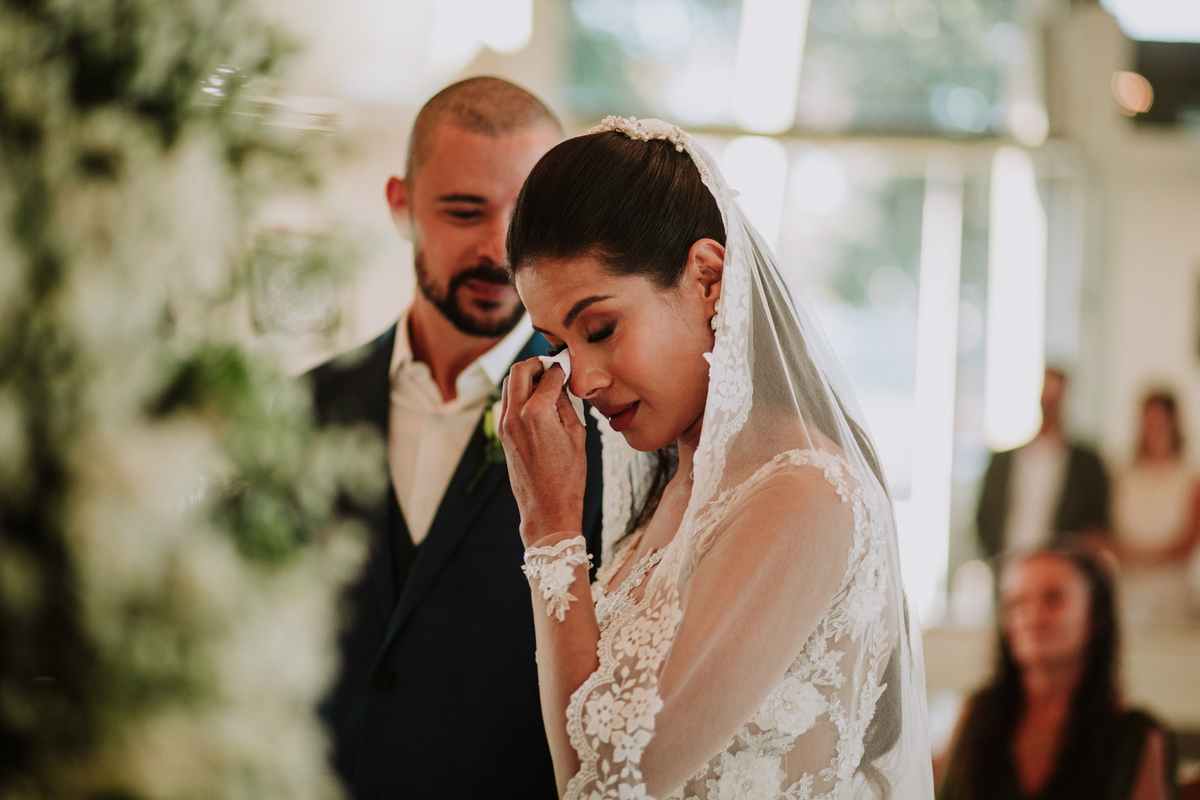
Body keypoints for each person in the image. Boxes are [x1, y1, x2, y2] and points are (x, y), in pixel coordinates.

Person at [497, 117, 933, 799]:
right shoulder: (677, 492)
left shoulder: (806, 496)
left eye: (601, 329)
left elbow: (605, 788)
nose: (580, 381)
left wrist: (550, 528)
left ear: (706, 279)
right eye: (559, 344)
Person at [307, 77, 604, 799]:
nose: (500, 248)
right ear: (400, 206)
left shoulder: (612, 422)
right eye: (466, 211)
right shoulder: (299, 410)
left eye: (526, 215)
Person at [935, 548, 1177, 800]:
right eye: (1016, 602)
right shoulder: (976, 712)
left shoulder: (1136, 736)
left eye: (1052, 599)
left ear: (1095, 615)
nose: (1032, 615)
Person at [976, 368, 1110, 560]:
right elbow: (985, 515)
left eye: (1056, 398)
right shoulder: (1003, 460)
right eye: (1046, 397)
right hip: (1007, 560)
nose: (1050, 405)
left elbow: (1095, 524)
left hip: (1059, 565)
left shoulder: (1086, 464)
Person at [1110, 390, 1200, 625]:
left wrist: (1134, 554)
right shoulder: (1124, 476)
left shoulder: (1189, 478)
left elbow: (1185, 544)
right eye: (1148, 422)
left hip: (1171, 592)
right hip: (1127, 588)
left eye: (1160, 422)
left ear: (1174, 424)